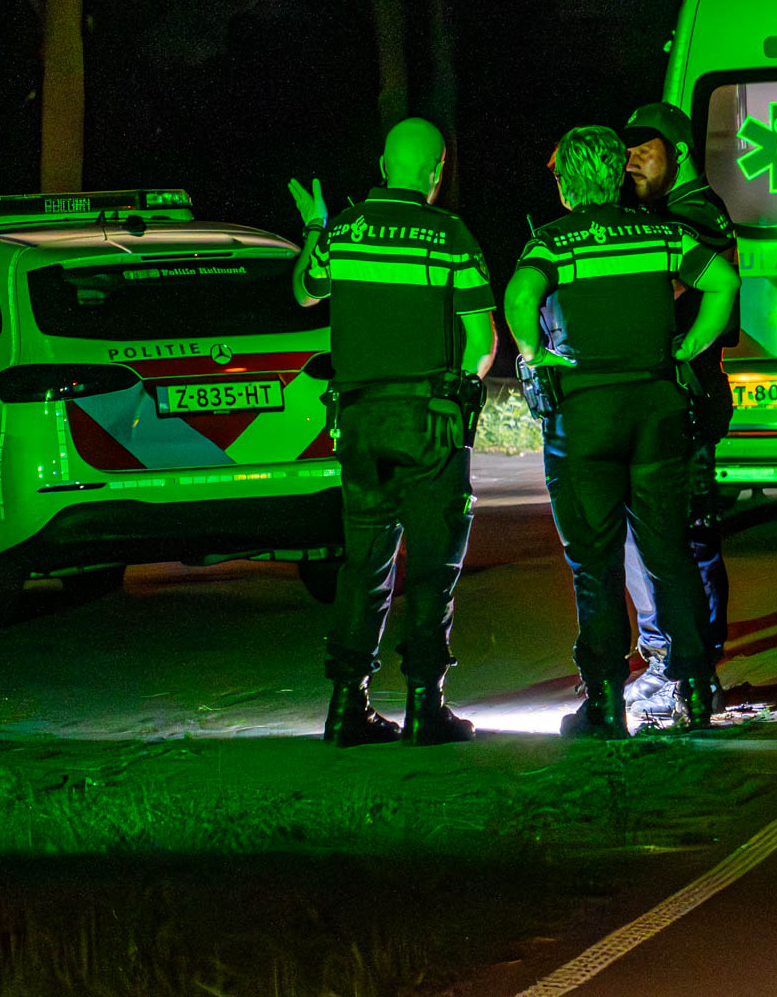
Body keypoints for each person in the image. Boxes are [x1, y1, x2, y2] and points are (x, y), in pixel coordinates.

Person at [503, 125, 740, 739]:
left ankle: (604, 703)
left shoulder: (554, 242)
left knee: (595, 564)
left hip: (583, 417)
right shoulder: (662, 234)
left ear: (564, 183)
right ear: (614, 176)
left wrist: (533, 355)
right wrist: (688, 345)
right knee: (668, 552)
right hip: (657, 408)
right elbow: (723, 281)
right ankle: (694, 687)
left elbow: (521, 293)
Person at [287, 116, 496, 748]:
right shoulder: (450, 236)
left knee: (364, 566)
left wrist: (316, 227)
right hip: (428, 420)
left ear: (382, 165)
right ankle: (425, 705)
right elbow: (482, 342)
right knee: (434, 567)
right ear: (436, 173)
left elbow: (303, 293)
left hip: (357, 422)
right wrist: (460, 393)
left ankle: (346, 707)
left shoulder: (345, 231)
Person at [618, 102, 735, 722]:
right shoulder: (663, 215)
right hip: (672, 396)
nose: (631, 159)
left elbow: (651, 291)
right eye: (627, 149)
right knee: (661, 536)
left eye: (646, 148)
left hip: (687, 398)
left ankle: (696, 671)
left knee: (687, 535)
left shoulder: (696, 215)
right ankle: (673, 662)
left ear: (679, 151)